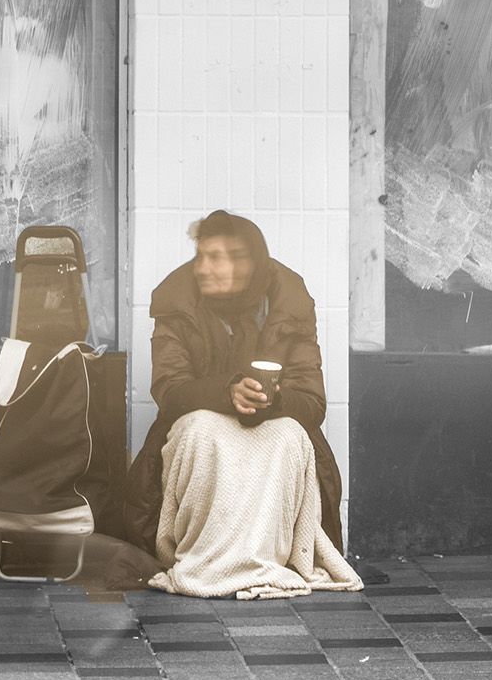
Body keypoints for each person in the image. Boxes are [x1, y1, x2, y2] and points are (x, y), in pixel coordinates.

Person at [125, 211, 360, 600]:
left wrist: (272, 400)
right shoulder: (177, 299)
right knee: (202, 429)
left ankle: (270, 557)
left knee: (288, 435)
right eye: (201, 255)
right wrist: (226, 393)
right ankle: (205, 558)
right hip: (200, 417)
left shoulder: (289, 300)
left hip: (272, 417)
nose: (204, 267)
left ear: (251, 263)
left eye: (220, 257)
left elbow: (313, 401)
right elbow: (169, 391)